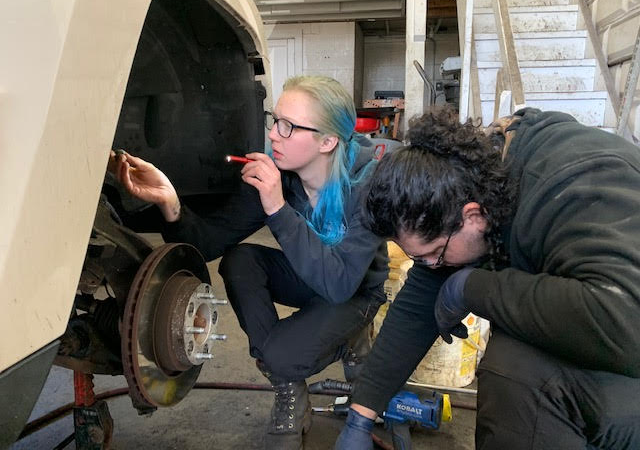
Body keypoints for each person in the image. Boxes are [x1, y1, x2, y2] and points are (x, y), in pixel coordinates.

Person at [336, 106, 640, 449]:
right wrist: (361, 416)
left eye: (435, 253)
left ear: (474, 217)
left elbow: (625, 321)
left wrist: (473, 287)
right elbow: (417, 305)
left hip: (629, 345)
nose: (432, 265)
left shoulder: (577, 186)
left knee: (517, 371)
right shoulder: (472, 183)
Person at [111, 75, 388, 450]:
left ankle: (350, 339)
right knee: (240, 260)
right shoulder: (278, 174)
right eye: (275, 119)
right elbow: (209, 242)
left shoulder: (369, 183)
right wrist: (169, 201)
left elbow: (338, 284)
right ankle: (289, 388)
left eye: (289, 127)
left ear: (327, 141)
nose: (274, 134)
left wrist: (276, 206)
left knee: (279, 354)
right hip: (308, 275)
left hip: (352, 289)